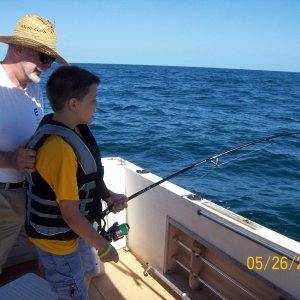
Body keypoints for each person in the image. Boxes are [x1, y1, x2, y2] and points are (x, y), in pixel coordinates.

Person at [25, 65, 128, 299]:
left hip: (72, 231)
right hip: (57, 242)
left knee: (89, 271)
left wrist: (107, 195)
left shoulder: (74, 131)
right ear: (73, 103)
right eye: (93, 100)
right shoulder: (59, 149)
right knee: (72, 290)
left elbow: (87, 178)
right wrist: (105, 248)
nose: (97, 105)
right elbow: (71, 215)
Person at [0, 15, 67, 275]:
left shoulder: (34, 90)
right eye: (44, 57)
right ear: (18, 48)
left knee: (29, 263)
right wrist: (10, 161)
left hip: (29, 195)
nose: (48, 66)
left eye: (50, 59)